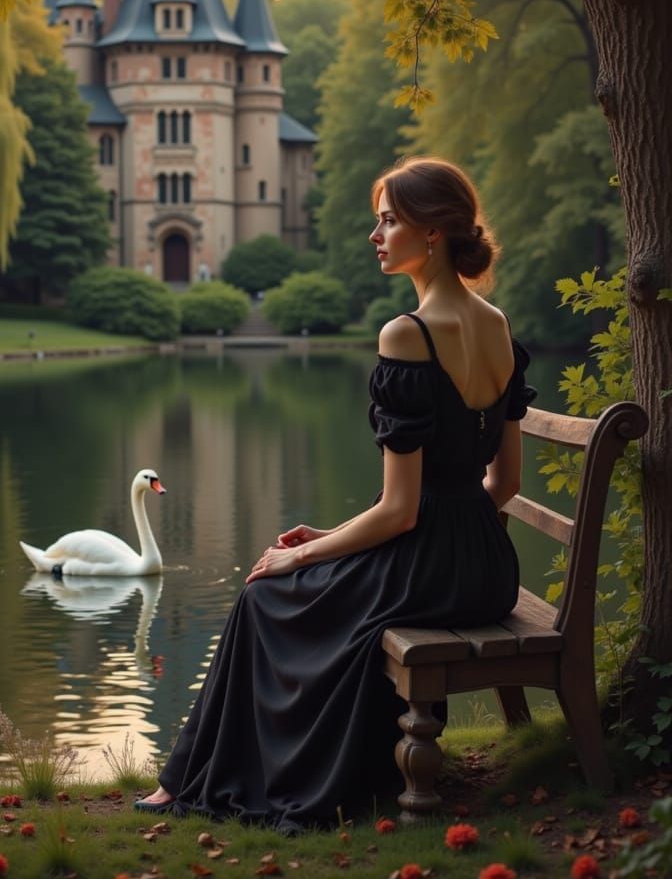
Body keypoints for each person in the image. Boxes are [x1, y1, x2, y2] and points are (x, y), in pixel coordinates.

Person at [135, 156, 536, 831]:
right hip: (490, 572)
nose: (375, 237)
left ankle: (194, 779)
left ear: (432, 233)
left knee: (264, 592)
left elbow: (402, 510)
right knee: (300, 585)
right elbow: (506, 484)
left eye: (388, 222)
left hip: (427, 568)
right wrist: (338, 540)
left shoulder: (406, 335)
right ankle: (246, 768)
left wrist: (303, 557)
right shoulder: (499, 327)